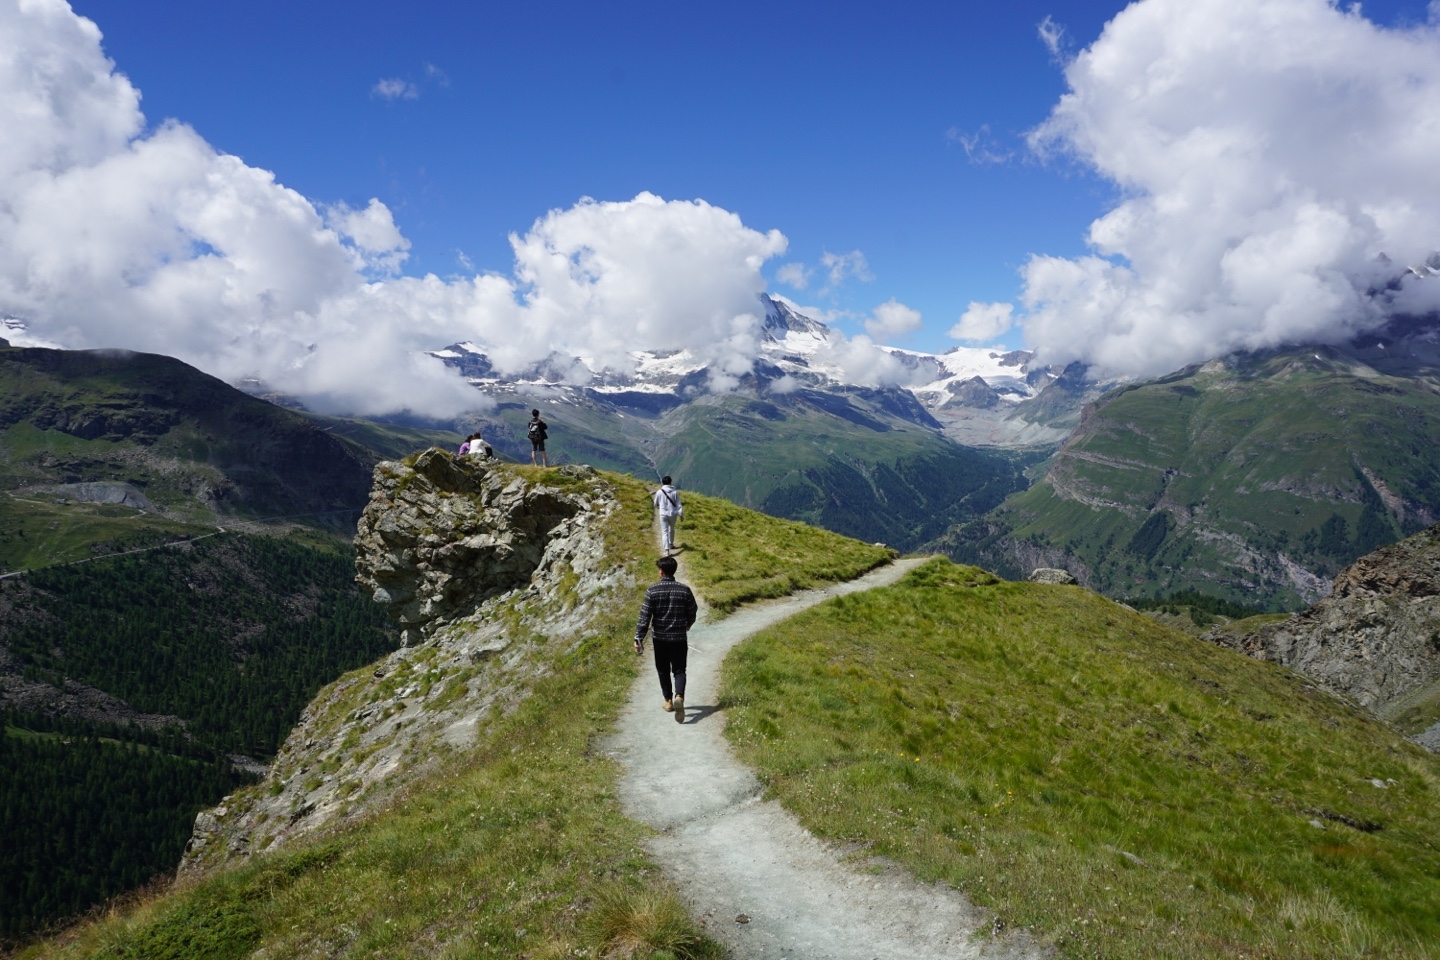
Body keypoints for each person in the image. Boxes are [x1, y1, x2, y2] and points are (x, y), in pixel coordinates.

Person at [634, 555, 698, 723]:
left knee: (663, 669)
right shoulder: (684, 590)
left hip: (660, 638)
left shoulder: (652, 590)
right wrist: (688, 624)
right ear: (673, 571)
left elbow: (644, 617)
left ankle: (668, 701)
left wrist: (638, 638)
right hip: (679, 637)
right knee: (679, 670)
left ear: (661, 571)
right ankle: (679, 696)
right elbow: (693, 609)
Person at [653, 476, 683, 554]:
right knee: (671, 528)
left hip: (663, 514)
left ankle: (666, 550)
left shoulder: (659, 492)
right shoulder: (675, 492)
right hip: (673, 514)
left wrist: (659, 508)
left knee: (664, 532)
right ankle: (671, 544)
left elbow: (655, 504)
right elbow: (678, 504)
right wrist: (681, 515)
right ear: (670, 482)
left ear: (662, 482)